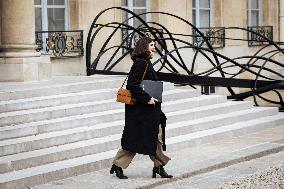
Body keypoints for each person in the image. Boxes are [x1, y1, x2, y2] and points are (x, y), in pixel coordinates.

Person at [110, 36, 173, 179]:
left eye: (154, 45)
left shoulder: (146, 62)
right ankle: (118, 165)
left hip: (149, 110)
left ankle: (159, 167)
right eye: (151, 45)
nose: (154, 47)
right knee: (135, 141)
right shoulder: (141, 63)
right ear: (144, 47)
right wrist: (147, 98)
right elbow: (132, 85)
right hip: (141, 111)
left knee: (155, 138)